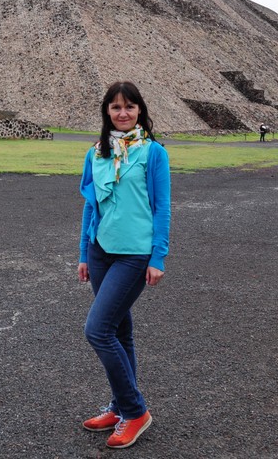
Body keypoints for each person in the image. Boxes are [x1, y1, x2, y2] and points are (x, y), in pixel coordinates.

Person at [78, 81, 170, 450]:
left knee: (97, 330)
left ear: (140, 111)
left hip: (134, 253)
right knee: (118, 332)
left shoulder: (153, 153)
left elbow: (161, 207)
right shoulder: (96, 153)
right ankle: (119, 406)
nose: (122, 113)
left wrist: (158, 257)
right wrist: (84, 254)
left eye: (129, 107)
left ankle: (135, 411)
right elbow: (90, 205)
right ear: (106, 112)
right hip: (101, 251)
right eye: (115, 107)